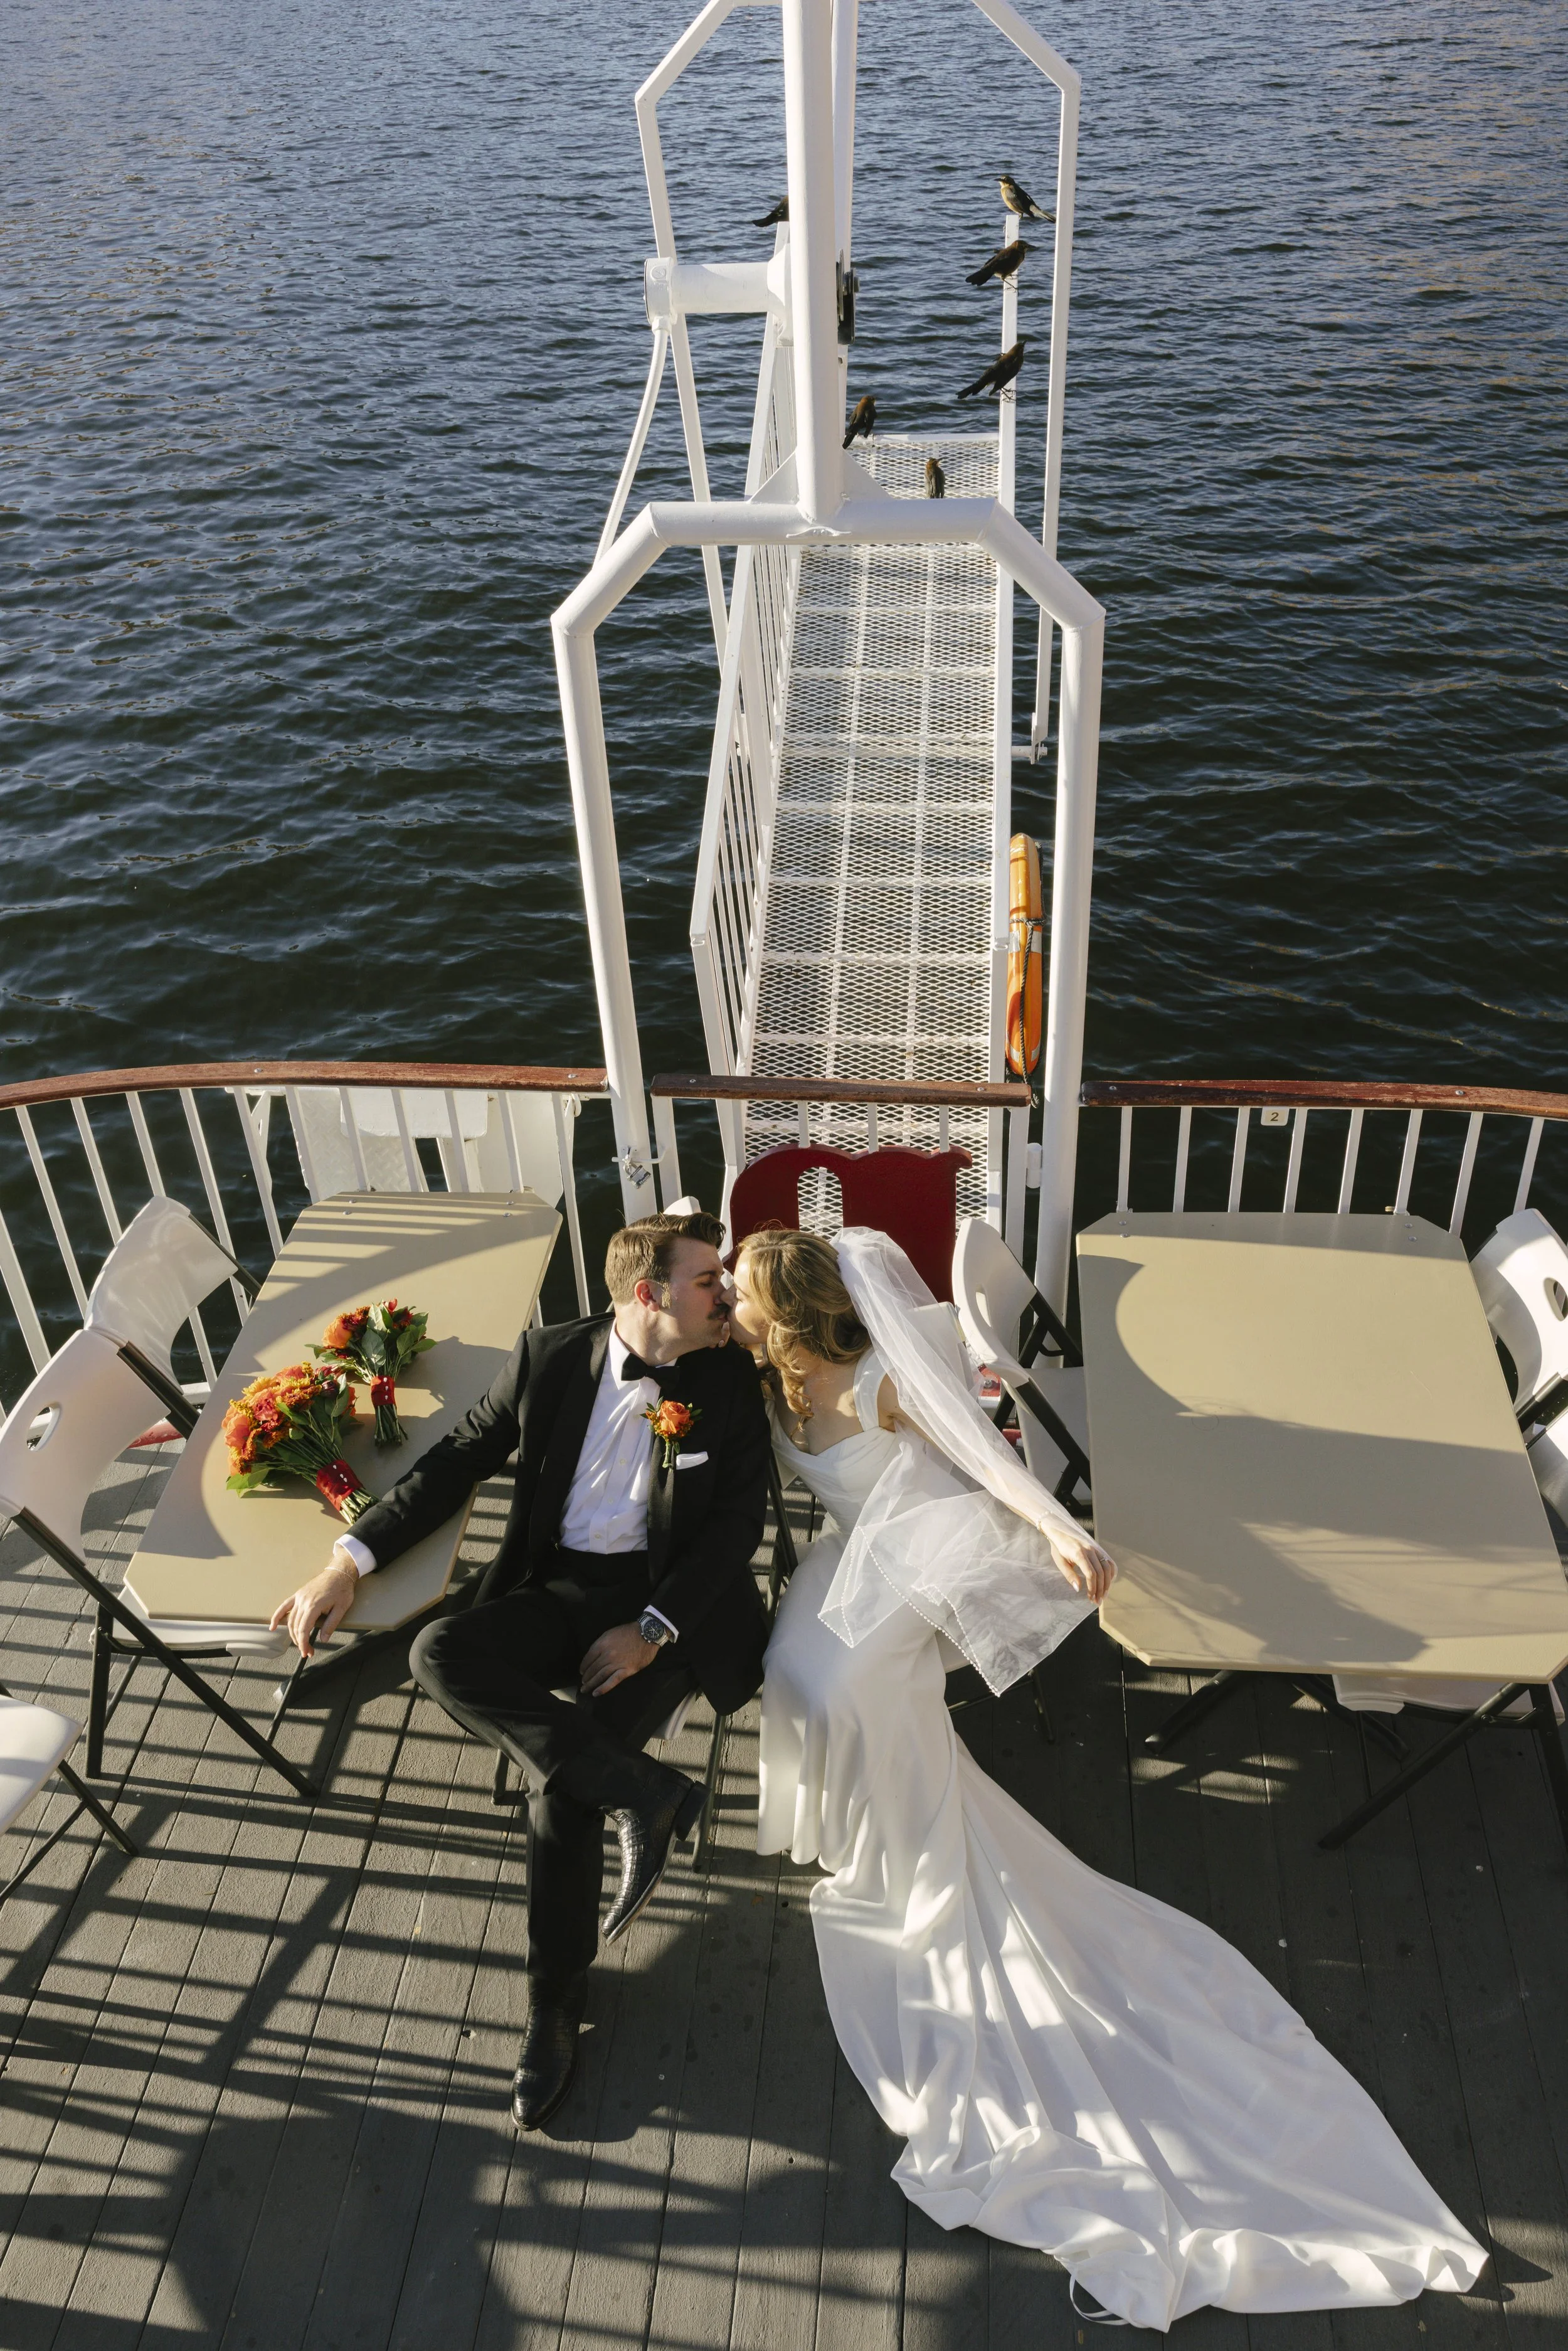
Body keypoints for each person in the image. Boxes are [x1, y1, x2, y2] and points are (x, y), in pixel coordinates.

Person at [730, 1224, 1486, 2333]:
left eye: (745, 1298)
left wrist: (1057, 1530)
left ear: (790, 1318)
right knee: (790, 1665)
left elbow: (986, 1460)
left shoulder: (883, 1385)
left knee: (836, 1683)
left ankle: (906, 1828)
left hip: (906, 1569)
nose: (734, 1313)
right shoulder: (761, 1369)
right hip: (852, 1554)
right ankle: (849, 1809)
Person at [272, 1209, 771, 2132]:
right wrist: (346, 1563)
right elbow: (457, 1459)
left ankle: (553, 2002)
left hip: (669, 1606)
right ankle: (644, 1791)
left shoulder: (730, 1376)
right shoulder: (550, 1356)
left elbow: (740, 1529)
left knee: (559, 1796)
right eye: (710, 1281)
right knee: (438, 1649)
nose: (727, 1294)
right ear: (650, 1293)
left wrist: (652, 1631)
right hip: (561, 1587)